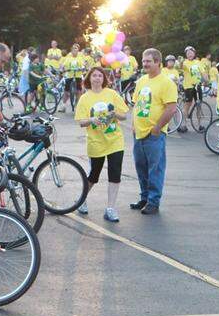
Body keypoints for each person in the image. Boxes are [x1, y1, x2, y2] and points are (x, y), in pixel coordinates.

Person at [75, 66, 129, 221]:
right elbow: (81, 122)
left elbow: (124, 115)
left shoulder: (112, 94)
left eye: (100, 75)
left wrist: (115, 114)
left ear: (104, 79)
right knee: (94, 175)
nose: (97, 78)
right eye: (94, 76)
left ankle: (111, 208)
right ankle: (82, 200)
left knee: (115, 173)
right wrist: (91, 120)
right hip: (96, 142)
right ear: (89, 79)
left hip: (115, 140)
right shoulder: (85, 98)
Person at [130, 48, 178, 215]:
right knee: (141, 167)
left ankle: (153, 201)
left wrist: (157, 128)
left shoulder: (166, 83)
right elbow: (136, 104)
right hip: (138, 133)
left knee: (155, 169)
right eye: (143, 61)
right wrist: (133, 124)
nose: (145, 64)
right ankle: (144, 197)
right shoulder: (142, 80)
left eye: (149, 61)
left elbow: (171, 108)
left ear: (158, 62)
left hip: (154, 134)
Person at [179, 46, 203, 132]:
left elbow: (203, 73)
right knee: (187, 106)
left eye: (191, 52)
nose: (189, 54)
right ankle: (183, 125)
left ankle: (200, 125)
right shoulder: (185, 62)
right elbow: (181, 66)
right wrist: (181, 62)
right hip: (188, 87)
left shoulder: (198, 62)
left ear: (194, 53)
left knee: (199, 106)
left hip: (198, 86)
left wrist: (207, 81)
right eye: (187, 53)